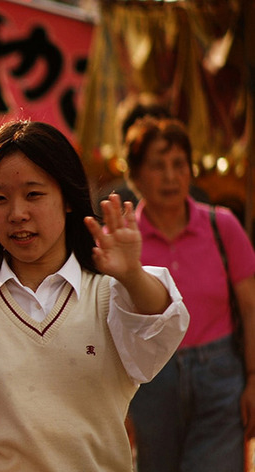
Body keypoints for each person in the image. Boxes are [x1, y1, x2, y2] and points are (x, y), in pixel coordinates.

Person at [0, 120, 190, 471]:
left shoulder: (110, 293)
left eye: (34, 194)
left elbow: (163, 323)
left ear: (68, 199)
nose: (17, 214)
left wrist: (131, 275)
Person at [124, 117, 255, 472]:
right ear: (135, 176)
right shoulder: (123, 240)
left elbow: (250, 307)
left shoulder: (223, 225)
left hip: (221, 378)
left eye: (178, 164)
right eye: (157, 165)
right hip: (150, 384)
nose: (170, 176)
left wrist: (254, 378)